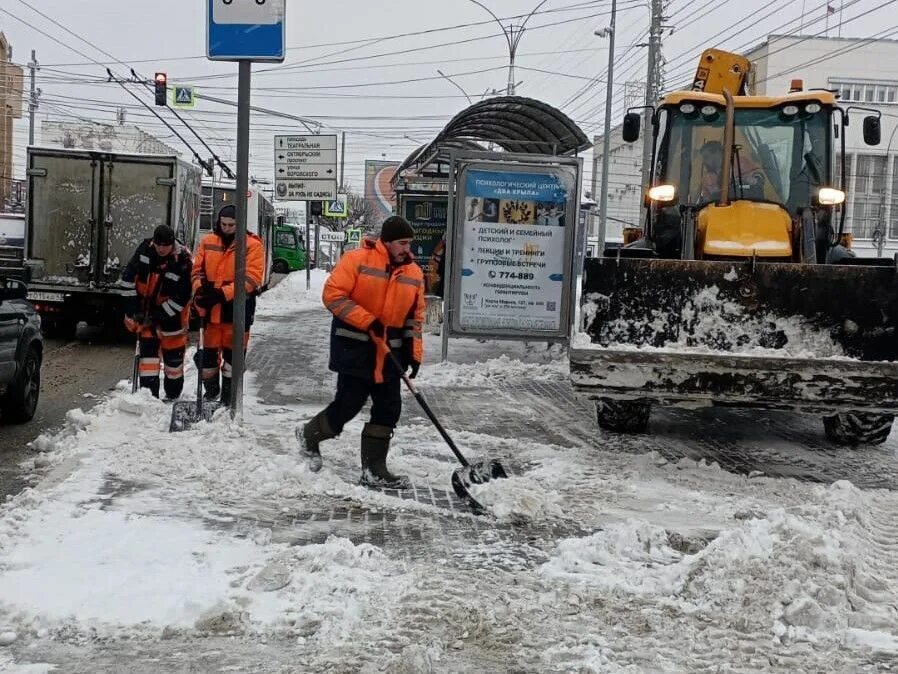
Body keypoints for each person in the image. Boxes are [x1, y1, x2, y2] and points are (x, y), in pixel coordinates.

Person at [298, 215, 425, 489]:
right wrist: (366, 320)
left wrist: (414, 353)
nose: (407, 248)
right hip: (355, 347)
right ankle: (310, 434)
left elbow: (415, 317)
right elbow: (332, 295)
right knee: (348, 405)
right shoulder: (357, 260)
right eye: (402, 243)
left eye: (409, 243)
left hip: (390, 353)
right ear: (387, 242)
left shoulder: (414, 274)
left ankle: (374, 469)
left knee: (389, 408)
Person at [191, 204, 265, 405]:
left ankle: (229, 399)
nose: (227, 228)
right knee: (207, 360)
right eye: (223, 224)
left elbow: (251, 279)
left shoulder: (252, 245)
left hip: (237, 312)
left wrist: (222, 293)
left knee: (233, 361)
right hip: (210, 312)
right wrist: (199, 289)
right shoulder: (208, 242)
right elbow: (196, 270)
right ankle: (211, 391)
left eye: (231, 225)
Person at [121, 224, 193, 400]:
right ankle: (149, 398)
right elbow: (128, 280)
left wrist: (157, 316)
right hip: (145, 318)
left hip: (172, 321)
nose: (161, 249)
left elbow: (182, 298)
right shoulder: (145, 249)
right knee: (148, 363)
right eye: (158, 244)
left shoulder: (183, 260)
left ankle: (173, 395)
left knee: (173, 366)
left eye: (165, 245)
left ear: (172, 243)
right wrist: (133, 310)